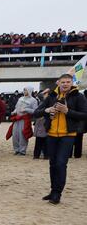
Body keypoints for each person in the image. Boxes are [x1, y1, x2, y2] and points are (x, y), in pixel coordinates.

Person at [34, 74, 87, 204]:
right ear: (58, 83)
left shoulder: (78, 96)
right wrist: (47, 110)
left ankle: (57, 193)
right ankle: (53, 191)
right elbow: (36, 112)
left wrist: (67, 111)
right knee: (52, 164)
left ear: (72, 83)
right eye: (63, 82)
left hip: (68, 135)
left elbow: (85, 115)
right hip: (51, 134)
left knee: (61, 163)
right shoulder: (52, 96)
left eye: (68, 82)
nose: (65, 84)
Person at [11, 87, 38, 155]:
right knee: (15, 134)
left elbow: (35, 111)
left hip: (25, 119)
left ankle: (22, 150)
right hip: (17, 118)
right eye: (24, 90)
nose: (24, 91)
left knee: (22, 135)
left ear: (29, 91)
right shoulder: (20, 98)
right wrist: (14, 111)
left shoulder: (33, 100)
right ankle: (16, 149)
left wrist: (27, 110)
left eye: (25, 90)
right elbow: (16, 107)